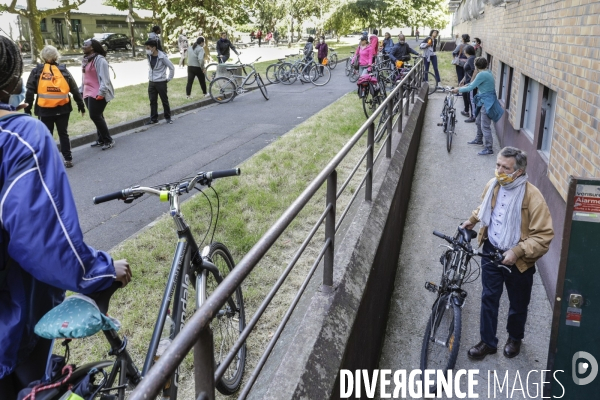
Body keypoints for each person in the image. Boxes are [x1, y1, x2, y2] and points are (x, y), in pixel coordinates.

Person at [0, 35, 132, 398]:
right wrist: (100, 270)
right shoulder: (18, 138)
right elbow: (42, 239)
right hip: (10, 327)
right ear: (11, 79)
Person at [460, 147, 553, 361]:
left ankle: (514, 338)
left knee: (518, 303)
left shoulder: (533, 197)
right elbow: (484, 207)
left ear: (518, 172)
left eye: (505, 167)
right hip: (491, 251)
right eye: (498, 165)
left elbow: (544, 236)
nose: (499, 170)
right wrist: (472, 220)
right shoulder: (493, 185)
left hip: (519, 261)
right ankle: (488, 342)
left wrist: (518, 251)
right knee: (488, 298)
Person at [24, 45, 85, 168]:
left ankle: (49, 161)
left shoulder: (37, 71)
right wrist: (80, 104)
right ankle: (68, 159)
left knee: (47, 135)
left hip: (45, 110)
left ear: (42, 57)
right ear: (56, 56)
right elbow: (74, 89)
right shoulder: (63, 71)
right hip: (63, 109)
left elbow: (29, 91)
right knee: (63, 133)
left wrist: (28, 108)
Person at [452, 57, 504, 156]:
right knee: (478, 120)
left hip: (486, 101)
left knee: (485, 125)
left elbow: (471, 87)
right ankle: (479, 139)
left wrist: (458, 90)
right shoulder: (487, 72)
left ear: (476, 66)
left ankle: (489, 148)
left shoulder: (481, 74)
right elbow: (472, 84)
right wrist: (461, 87)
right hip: (484, 100)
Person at [80, 39, 115, 150]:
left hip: (98, 91)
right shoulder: (86, 60)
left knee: (95, 115)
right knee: (98, 116)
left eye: (86, 45)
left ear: (92, 47)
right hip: (87, 91)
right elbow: (85, 77)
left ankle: (108, 140)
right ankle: (101, 139)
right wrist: (81, 89)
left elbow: (105, 80)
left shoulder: (100, 60)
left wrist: (101, 93)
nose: (83, 46)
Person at [145, 39, 175, 125]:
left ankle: (168, 117)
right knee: (152, 101)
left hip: (161, 82)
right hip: (151, 81)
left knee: (164, 100)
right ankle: (153, 118)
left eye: (148, 48)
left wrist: (168, 79)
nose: (147, 49)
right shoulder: (149, 55)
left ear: (154, 48)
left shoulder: (162, 57)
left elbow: (172, 67)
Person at [460, 45, 477, 123]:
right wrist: (463, 79)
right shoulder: (469, 58)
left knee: (471, 99)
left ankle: (474, 116)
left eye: (464, 50)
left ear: (467, 51)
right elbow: (467, 71)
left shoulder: (471, 59)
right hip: (467, 81)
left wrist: (472, 81)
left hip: (471, 83)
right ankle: (466, 111)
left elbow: (475, 70)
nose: (463, 51)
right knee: (465, 95)